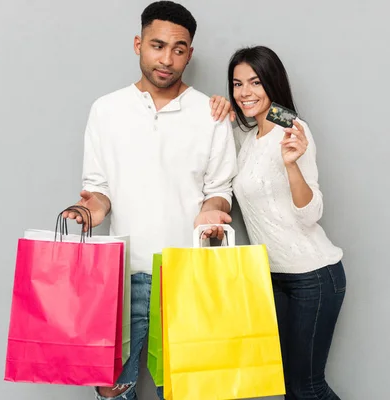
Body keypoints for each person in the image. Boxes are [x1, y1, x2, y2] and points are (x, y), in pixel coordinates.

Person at [62, 2, 236, 399]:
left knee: (184, 391)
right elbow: (99, 189)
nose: (167, 59)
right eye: (157, 45)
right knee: (111, 389)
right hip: (123, 276)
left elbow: (220, 190)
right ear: (138, 44)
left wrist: (214, 209)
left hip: (187, 276)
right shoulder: (106, 110)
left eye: (179, 49)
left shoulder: (210, 113)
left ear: (189, 53)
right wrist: (90, 210)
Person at [227, 45, 347, 399]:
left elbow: (311, 213)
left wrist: (293, 164)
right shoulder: (248, 139)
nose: (245, 92)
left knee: (307, 388)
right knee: (289, 389)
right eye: (237, 84)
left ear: (272, 83)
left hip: (313, 276)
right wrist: (219, 109)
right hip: (272, 278)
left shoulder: (293, 131)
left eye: (255, 82)